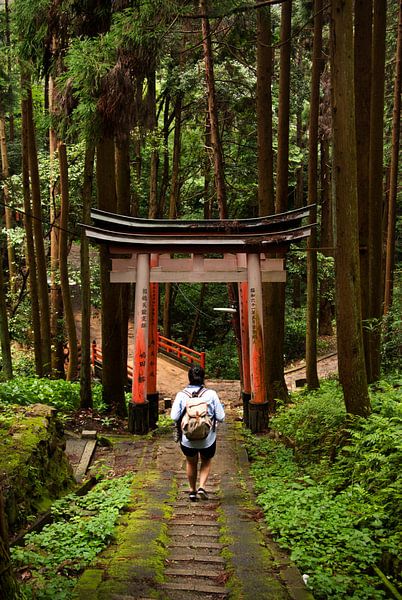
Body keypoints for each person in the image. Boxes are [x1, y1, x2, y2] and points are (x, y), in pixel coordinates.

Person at [171, 365, 225, 501]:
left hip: (187, 438)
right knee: (206, 461)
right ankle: (202, 487)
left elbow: (174, 417)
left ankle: (192, 490)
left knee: (191, 462)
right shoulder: (211, 394)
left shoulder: (181, 395)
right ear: (203, 378)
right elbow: (221, 416)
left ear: (189, 378)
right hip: (208, 438)